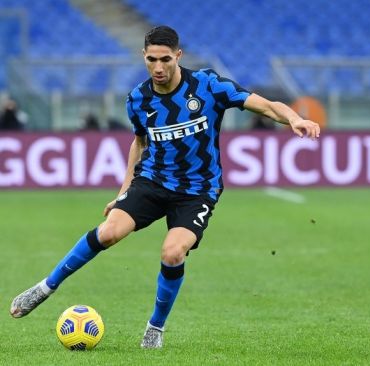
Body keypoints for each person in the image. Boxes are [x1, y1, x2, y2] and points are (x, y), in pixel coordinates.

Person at [9, 25, 320, 348]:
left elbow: (267, 106)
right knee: (108, 232)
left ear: (178, 56)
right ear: (144, 57)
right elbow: (139, 144)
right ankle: (45, 287)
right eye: (152, 60)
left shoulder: (208, 86)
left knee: (172, 253)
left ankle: (154, 328)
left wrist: (294, 119)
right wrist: (122, 193)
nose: (158, 68)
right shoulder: (138, 99)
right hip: (153, 181)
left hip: (198, 189)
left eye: (165, 60)